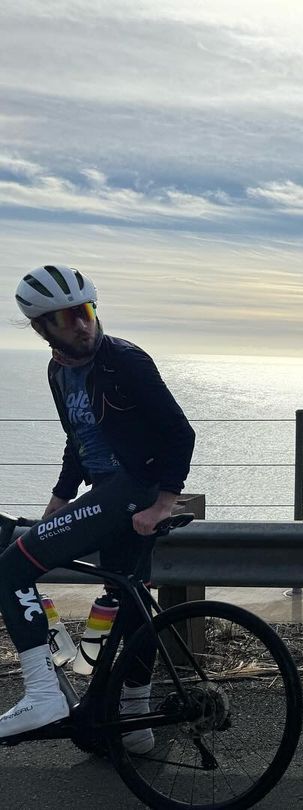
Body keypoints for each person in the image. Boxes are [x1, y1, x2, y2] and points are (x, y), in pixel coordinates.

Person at [0, 264, 195, 751]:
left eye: (85, 311)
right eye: (66, 318)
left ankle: (42, 694)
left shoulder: (125, 360)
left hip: (130, 490)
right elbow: (79, 441)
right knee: (131, 601)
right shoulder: (57, 372)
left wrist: (164, 502)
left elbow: (179, 432)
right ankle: (134, 723)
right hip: (107, 494)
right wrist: (59, 501)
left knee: (10, 570)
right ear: (41, 328)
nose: (82, 324)